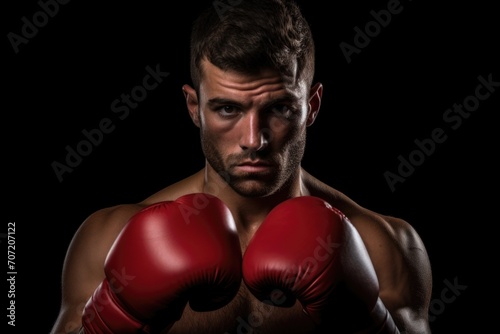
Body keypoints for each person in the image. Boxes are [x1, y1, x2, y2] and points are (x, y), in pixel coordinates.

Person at [51, 0, 433, 333]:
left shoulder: (382, 244)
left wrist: (368, 321)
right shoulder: (111, 236)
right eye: (228, 109)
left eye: (280, 108)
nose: (254, 139)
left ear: (312, 106)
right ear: (193, 107)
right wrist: (115, 319)